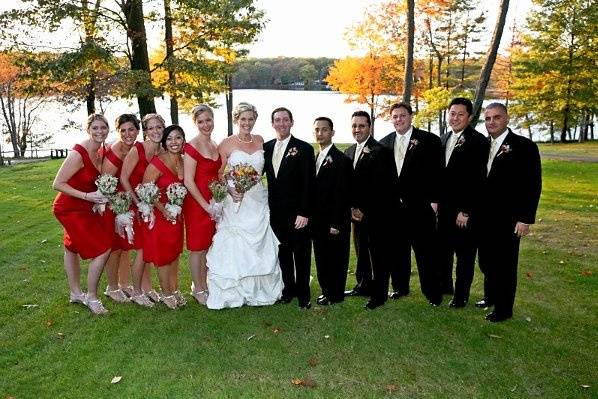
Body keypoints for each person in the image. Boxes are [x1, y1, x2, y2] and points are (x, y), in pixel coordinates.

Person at [206, 102, 283, 309]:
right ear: (236, 120)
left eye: (251, 119)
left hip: (257, 197)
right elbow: (218, 172)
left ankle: (261, 289)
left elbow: (264, 170)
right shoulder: (227, 143)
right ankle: (234, 291)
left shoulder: (260, 141)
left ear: (255, 120)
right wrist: (231, 189)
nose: (247, 123)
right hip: (235, 200)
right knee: (235, 243)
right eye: (243, 119)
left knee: (260, 241)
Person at [476, 103, 541, 322]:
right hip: (483, 217)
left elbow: (533, 185)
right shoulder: (482, 145)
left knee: (504, 264)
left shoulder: (524, 147)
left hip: (509, 218)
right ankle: (490, 296)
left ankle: (504, 309)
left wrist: (525, 218)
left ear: (506, 119)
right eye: (488, 119)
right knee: (485, 260)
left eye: (496, 118)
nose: (491, 122)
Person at [379, 103, 443, 306]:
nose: (399, 119)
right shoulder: (384, 143)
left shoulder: (429, 140)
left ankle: (432, 292)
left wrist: (434, 200)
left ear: (410, 117)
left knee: (426, 252)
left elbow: (437, 173)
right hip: (393, 210)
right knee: (398, 251)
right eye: (395, 116)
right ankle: (400, 287)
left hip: (420, 207)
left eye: (402, 116)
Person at [52, 114, 112, 315]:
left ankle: (75, 293)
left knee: (71, 248)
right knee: (103, 248)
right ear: (88, 130)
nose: (99, 132)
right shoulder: (78, 153)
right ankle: (92, 298)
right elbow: (57, 184)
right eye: (95, 128)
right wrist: (88, 196)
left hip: (85, 206)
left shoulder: (101, 150)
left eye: (103, 128)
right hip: (68, 208)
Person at [437, 98, 489, 308]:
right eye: (452, 113)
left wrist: (466, 211)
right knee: (443, 251)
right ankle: (445, 286)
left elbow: (478, 180)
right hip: (444, 208)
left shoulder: (478, 142)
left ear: (469, 117)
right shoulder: (444, 139)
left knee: (465, 256)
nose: (455, 118)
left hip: (464, 211)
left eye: (460, 114)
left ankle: (461, 296)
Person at [263, 107, 315, 309]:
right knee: (283, 253)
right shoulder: (266, 147)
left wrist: (304, 212)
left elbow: (309, 184)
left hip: (297, 213)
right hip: (275, 213)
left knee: (301, 255)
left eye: (285, 120)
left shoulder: (304, 148)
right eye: (277, 120)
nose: (282, 123)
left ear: (292, 122)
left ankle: (304, 295)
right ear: (272, 123)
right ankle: (288, 290)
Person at [344, 111, 396, 309]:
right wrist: (351, 208)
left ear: (370, 127)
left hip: (376, 214)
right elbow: (347, 185)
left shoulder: (380, 151)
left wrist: (364, 209)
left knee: (378, 255)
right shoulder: (349, 151)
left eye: (361, 126)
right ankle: (363, 284)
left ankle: (379, 294)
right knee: (361, 251)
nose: (357, 129)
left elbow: (383, 187)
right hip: (355, 214)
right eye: (354, 126)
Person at [120, 113, 166, 306]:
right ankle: (137, 292)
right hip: (134, 204)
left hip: (152, 204)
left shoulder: (163, 151)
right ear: (145, 132)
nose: (156, 131)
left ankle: (147, 288)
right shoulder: (137, 149)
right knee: (141, 249)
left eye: (159, 127)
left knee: (149, 248)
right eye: (151, 128)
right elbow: (123, 178)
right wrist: (138, 203)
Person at [142, 125, 186, 310]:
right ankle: (166, 293)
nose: (174, 142)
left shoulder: (184, 161)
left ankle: (174, 289)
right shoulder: (158, 162)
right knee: (164, 256)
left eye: (178, 138)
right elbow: (145, 187)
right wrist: (162, 208)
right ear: (164, 142)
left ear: (183, 140)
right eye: (169, 139)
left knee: (175, 254)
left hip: (177, 215)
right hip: (161, 216)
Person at [183, 104, 221, 305]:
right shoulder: (192, 146)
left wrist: (218, 198)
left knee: (208, 244)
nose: (205, 124)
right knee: (197, 247)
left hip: (214, 201)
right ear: (195, 124)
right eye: (200, 122)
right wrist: (206, 206)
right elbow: (188, 181)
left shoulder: (215, 144)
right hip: (197, 203)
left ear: (213, 120)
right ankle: (197, 288)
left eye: (208, 120)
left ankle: (204, 283)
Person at [311, 117, 352, 305]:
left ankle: (335, 295)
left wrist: (336, 223)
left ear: (332, 132)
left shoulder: (341, 159)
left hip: (334, 221)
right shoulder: (316, 157)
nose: (320, 133)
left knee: (336, 258)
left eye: (324, 130)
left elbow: (343, 195)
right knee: (322, 258)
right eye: (317, 130)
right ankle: (326, 291)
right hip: (318, 220)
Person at [101, 114, 141, 304]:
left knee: (125, 247)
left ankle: (124, 283)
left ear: (137, 130)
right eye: (123, 130)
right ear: (118, 132)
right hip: (113, 205)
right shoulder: (116, 151)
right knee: (115, 248)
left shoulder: (136, 148)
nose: (127, 134)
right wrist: (117, 206)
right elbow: (104, 184)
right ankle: (112, 287)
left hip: (127, 202)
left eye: (131, 129)